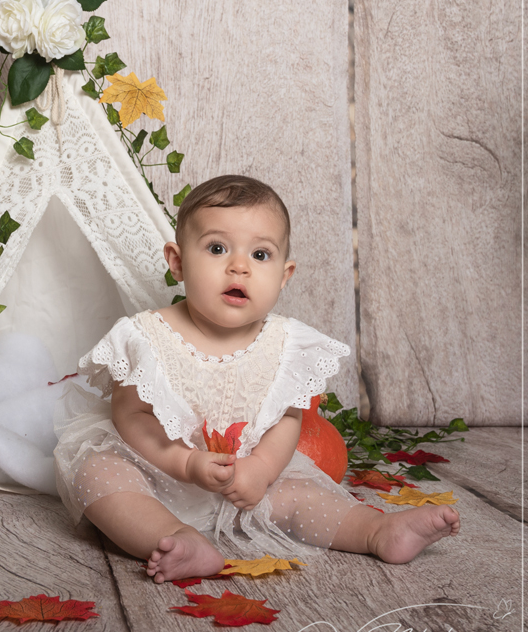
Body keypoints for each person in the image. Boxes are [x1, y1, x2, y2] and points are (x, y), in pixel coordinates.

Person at [53, 175, 460, 583]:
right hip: (155, 472)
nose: (239, 266)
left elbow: (288, 419)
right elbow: (131, 415)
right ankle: (176, 537)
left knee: (302, 495)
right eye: (217, 248)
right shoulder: (145, 336)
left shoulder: (287, 344)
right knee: (97, 472)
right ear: (177, 261)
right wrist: (185, 461)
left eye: (261, 255)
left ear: (285, 275)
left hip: (248, 480)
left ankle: (377, 531)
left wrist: (262, 470)